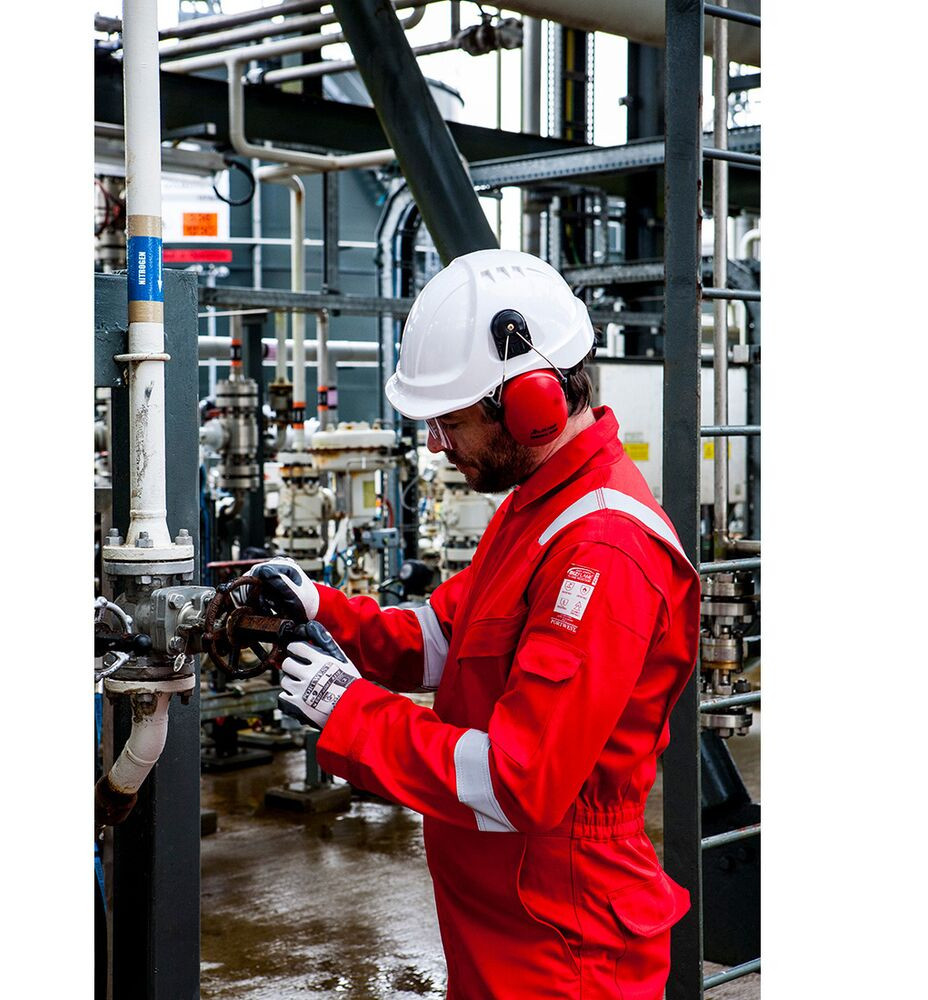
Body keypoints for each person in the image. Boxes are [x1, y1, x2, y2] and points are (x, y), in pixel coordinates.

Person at [248, 249, 701, 998]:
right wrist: (322, 607)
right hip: (506, 921)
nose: (435, 443)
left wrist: (348, 709)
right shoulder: (538, 509)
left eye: (449, 421)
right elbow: (441, 640)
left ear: (529, 404)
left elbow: (521, 780)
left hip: (565, 943)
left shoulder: (603, 549)